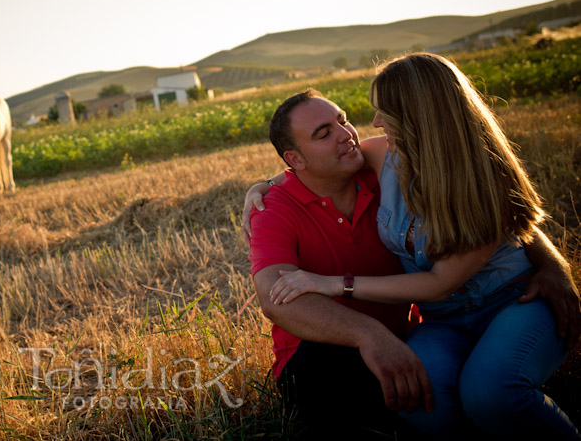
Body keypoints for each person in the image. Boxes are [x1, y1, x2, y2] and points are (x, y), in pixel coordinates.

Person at [244, 55, 581, 438]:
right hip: (437, 322)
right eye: (326, 131)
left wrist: (336, 283)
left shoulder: (478, 173)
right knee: (420, 400)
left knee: (490, 394)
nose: (366, 126)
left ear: (421, 114)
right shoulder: (384, 157)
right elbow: (312, 169)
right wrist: (264, 186)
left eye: (379, 113)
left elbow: (444, 279)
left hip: (510, 300)